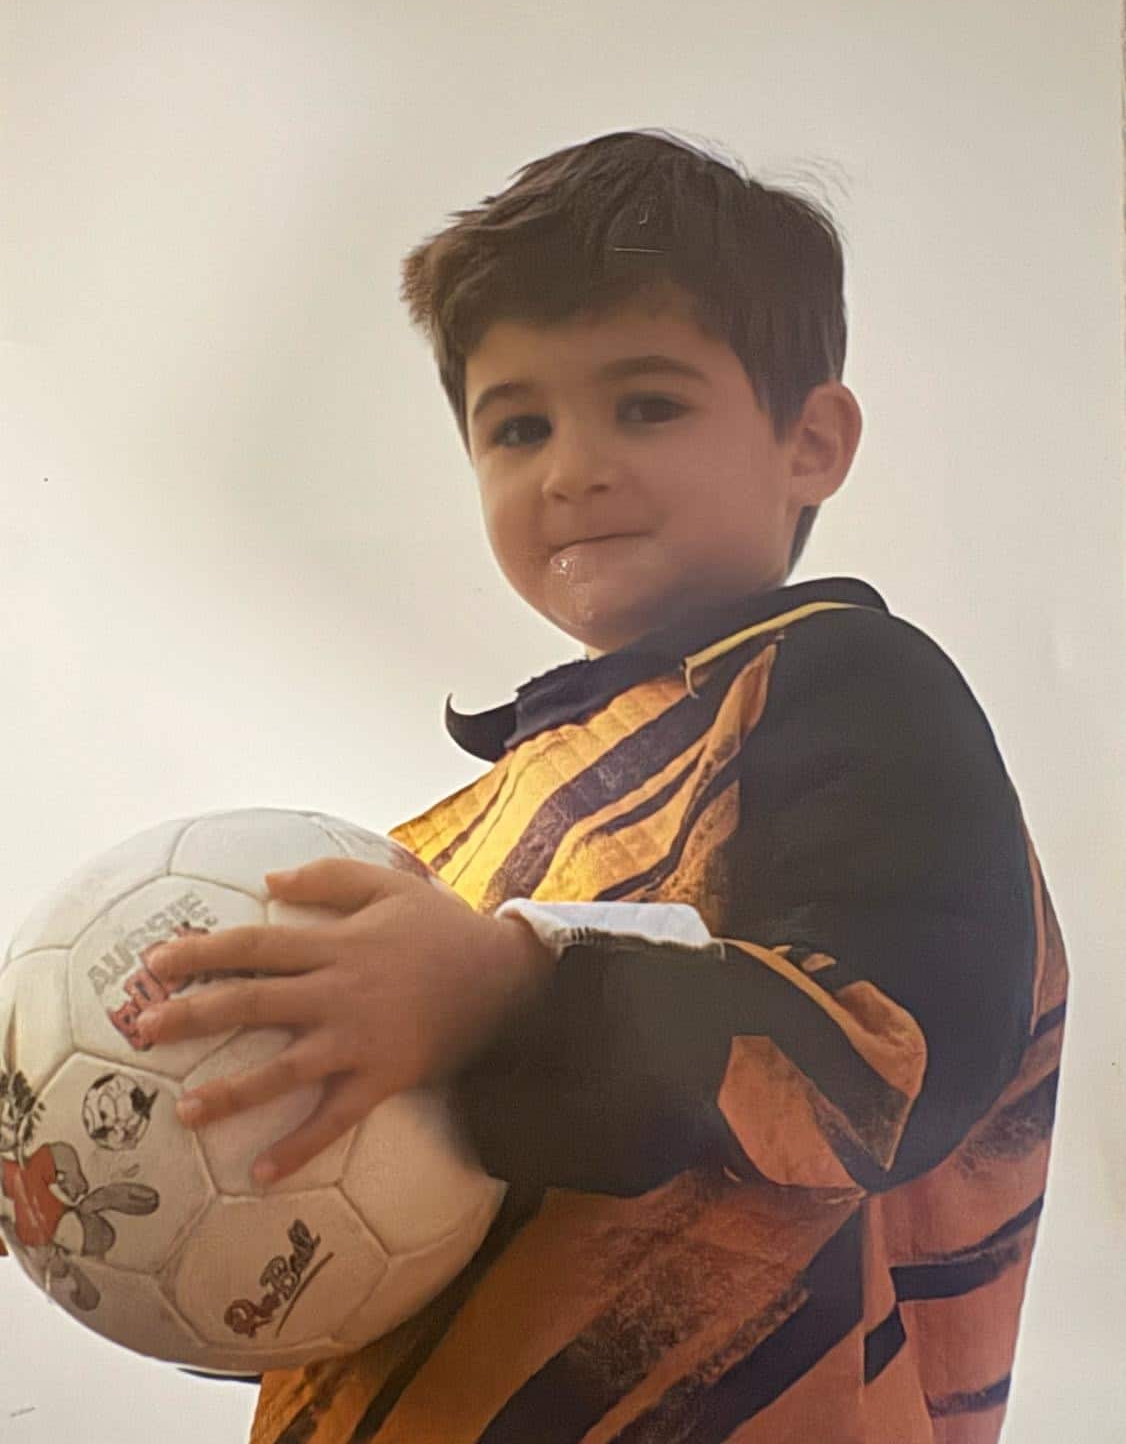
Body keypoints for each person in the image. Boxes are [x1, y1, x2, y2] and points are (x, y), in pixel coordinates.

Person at [139, 129, 1069, 1443]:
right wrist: (142, 1169)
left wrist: (508, 989)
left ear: (809, 442)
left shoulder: (842, 686)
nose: (571, 466)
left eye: (646, 404)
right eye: (517, 426)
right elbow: (380, 1238)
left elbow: (893, 1059)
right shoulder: (485, 833)